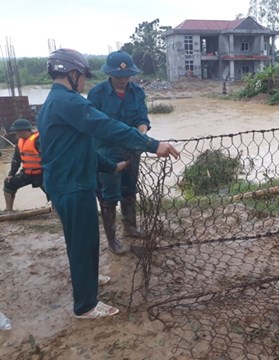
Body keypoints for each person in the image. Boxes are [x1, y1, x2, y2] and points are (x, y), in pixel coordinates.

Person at [37, 48, 180, 319]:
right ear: (73, 73)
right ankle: (86, 306)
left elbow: (80, 147)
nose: (84, 81)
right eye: (83, 76)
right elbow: (106, 128)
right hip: (72, 184)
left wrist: (110, 166)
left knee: (85, 239)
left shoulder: (54, 102)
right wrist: (153, 145)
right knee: (81, 242)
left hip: (69, 179)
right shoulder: (71, 102)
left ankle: (88, 279)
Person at [87, 50, 148, 255]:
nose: (123, 80)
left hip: (131, 149)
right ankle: (112, 239)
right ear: (110, 74)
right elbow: (94, 125)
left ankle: (130, 226)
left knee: (130, 189)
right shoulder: (96, 94)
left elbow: (142, 118)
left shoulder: (138, 92)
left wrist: (142, 135)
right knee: (109, 195)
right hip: (106, 149)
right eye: (118, 76)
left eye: (126, 76)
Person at [3, 119, 47, 211]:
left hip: (42, 174)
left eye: (16, 131)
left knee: (52, 191)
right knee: (8, 183)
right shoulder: (20, 142)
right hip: (27, 173)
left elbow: (49, 158)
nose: (15, 133)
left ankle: (55, 210)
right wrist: (11, 174)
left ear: (23, 130)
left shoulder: (39, 140)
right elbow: (16, 160)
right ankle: (9, 210)